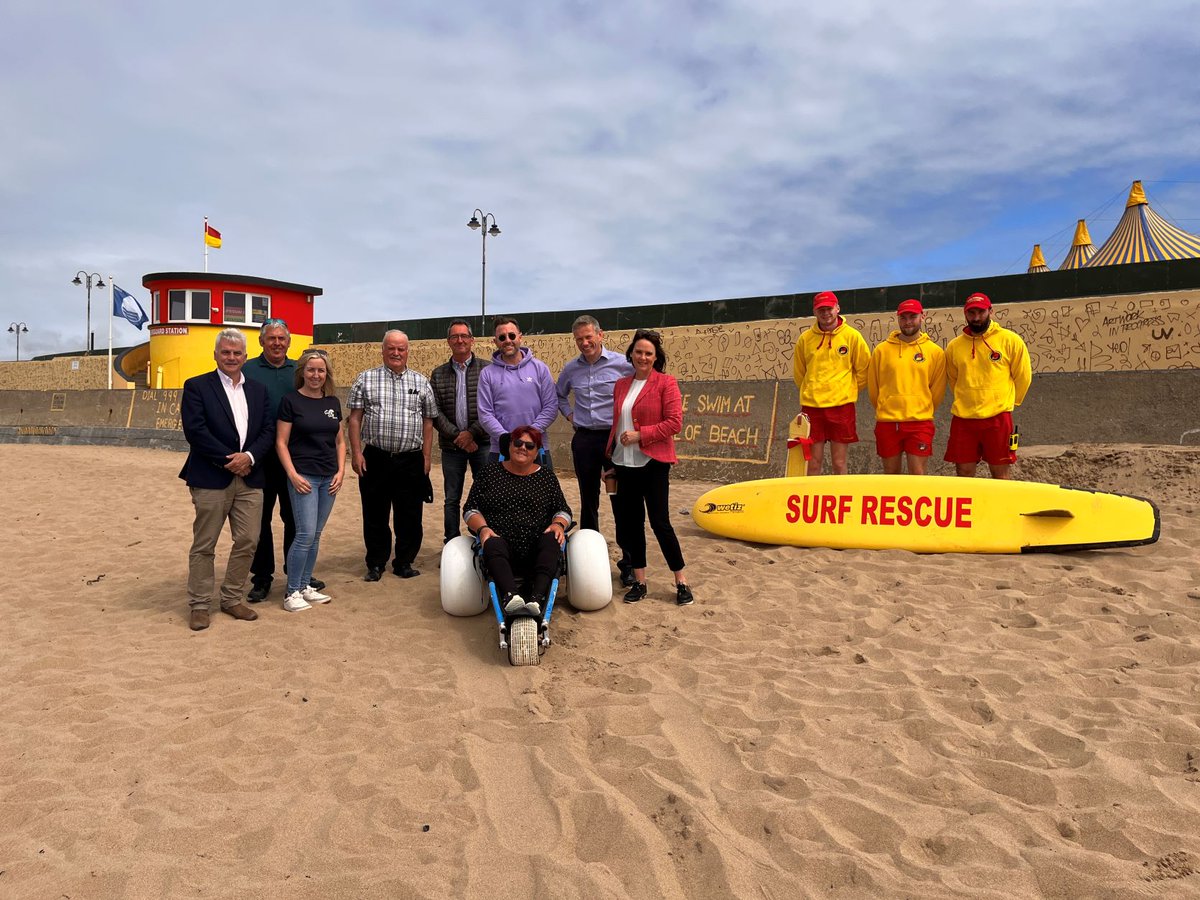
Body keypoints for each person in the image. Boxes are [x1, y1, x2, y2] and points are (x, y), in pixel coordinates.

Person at [178, 328, 275, 632]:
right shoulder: (196, 386)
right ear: (216, 354)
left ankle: (232, 598)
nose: (232, 357)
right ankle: (199, 604)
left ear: (246, 356)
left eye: (237, 353)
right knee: (205, 543)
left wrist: (249, 458)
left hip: (251, 476)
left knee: (248, 540)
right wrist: (230, 460)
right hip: (210, 476)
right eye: (226, 352)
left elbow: (268, 431)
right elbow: (196, 432)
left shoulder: (258, 390)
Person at [606, 329, 693, 606]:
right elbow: (616, 424)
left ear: (656, 358)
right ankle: (640, 582)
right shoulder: (621, 385)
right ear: (631, 354)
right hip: (623, 463)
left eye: (648, 353)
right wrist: (609, 459)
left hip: (653, 462)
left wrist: (640, 434)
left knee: (660, 522)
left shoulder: (666, 383)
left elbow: (674, 423)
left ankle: (681, 581)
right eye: (639, 352)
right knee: (632, 525)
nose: (643, 357)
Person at [242, 319, 324, 601]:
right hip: (261, 458)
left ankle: (297, 573)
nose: (277, 343)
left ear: (289, 342)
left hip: (295, 460)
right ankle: (262, 578)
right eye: (271, 338)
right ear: (261, 341)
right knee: (260, 521)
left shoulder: (298, 371)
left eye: (282, 338)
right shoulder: (248, 370)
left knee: (296, 519)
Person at [347, 330, 437, 581]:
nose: (396, 353)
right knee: (375, 512)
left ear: (408, 351)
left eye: (401, 349)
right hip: (375, 457)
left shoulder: (421, 382)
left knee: (409, 513)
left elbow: (428, 421)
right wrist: (356, 453)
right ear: (383, 350)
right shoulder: (365, 379)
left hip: (410, 459)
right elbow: (354, 419)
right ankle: (376, 563)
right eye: (391, 348)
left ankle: (404, 562)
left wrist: (427, 457)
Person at [555, 315, 635, 585]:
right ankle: (590, 562)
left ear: (601, 335)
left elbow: (639, 392)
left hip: (614, 442)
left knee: (620, 501)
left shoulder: (622, 365)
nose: (585, 343)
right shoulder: (571, 369)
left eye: (589, 337)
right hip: (585, 441)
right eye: (579, 339)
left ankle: (629, 563)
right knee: (589, 502)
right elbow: (559, 395)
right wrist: (570, 416)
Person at [463, 426, 572, 618]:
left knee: (552, 538)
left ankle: (538, 599)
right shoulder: (489, 473)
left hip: (537, 542)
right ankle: (510, 596)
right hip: (499, 540)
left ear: (537, 451)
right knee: (491, 541)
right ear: (510, 445)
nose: (523, 448)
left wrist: (558, 524)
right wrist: (482, 528)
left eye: (529, 445)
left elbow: (563, 510)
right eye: (518, 443)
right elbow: (471, 509)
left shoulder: (546, 477)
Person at [275, 349, 346, 612]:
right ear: (302, 372)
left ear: (326, 374)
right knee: (303, 534)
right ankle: (292, 591)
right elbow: (281, 443)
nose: (316, 375)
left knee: (315, 535)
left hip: (329, 477)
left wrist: (341, 471)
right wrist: (292, 475)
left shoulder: (332, 403)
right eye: (311, 369)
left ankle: (305, 585)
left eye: (321, 370)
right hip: (304, 476)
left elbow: (340, 441)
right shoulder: (291, 401)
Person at [944, 292, 1032, 480]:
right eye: (971, 313)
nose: (976, 318)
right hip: (963, 419)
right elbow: (954, 379)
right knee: (963, 473)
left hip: (998, 419)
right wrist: (968, 398)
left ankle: (1002, 509)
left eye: (981, 312)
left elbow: (1023, 376)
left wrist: (1010, 403)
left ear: (991, 311)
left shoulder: (1010, 340)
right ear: (965, 314)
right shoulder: (954, 346)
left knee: (1000, 474)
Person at [792, 291, 870, 475]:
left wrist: (846, 390)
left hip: (841, 407)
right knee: (812, 463)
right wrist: (811, 390)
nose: (825, 313)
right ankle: (811, 500)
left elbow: (864, 369)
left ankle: (840, 500)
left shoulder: (852, 336)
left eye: (829, 308)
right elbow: (799, 374)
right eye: (821, 309)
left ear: (837, 308)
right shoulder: (805, 339)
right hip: (812, 407)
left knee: (839, 462)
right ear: (815, 311)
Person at [866, 299, 947, 475]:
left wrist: (919, 407)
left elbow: (937, 391)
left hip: (919, 423)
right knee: (891, 475)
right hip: (888, 423)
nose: (908, 321)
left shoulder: (935, 352)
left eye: (913, 316)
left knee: (918, 475)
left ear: (922, 316)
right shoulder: (881, 351)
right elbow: (874, 388)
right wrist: (887, 406)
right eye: (903, 317)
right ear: (898, 318)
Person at [430, 320, 490, 544]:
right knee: (451, 498)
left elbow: (492, 406)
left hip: (482, 444)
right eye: (455, 337)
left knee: (485, 495)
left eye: (464, 336)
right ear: (448, 342)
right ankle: (452, 541)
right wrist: (458, 436)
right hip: (451, 446)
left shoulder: (487, 369)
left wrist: (472, 434)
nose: (460, 340)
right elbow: (434, 411)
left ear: (472, 340)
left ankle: (484, 540)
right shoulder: (438, 374)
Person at [477, 316, 558, 467]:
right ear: (495, 342)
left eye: (512, 335)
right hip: (501, 451)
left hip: (537, 448)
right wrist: (506, 438)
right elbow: (485, 413)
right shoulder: (487, 374)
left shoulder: (540, 368)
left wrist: (529, 435)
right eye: (502, 337)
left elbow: (551, 406)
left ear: (520, 337)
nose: (507, 340)